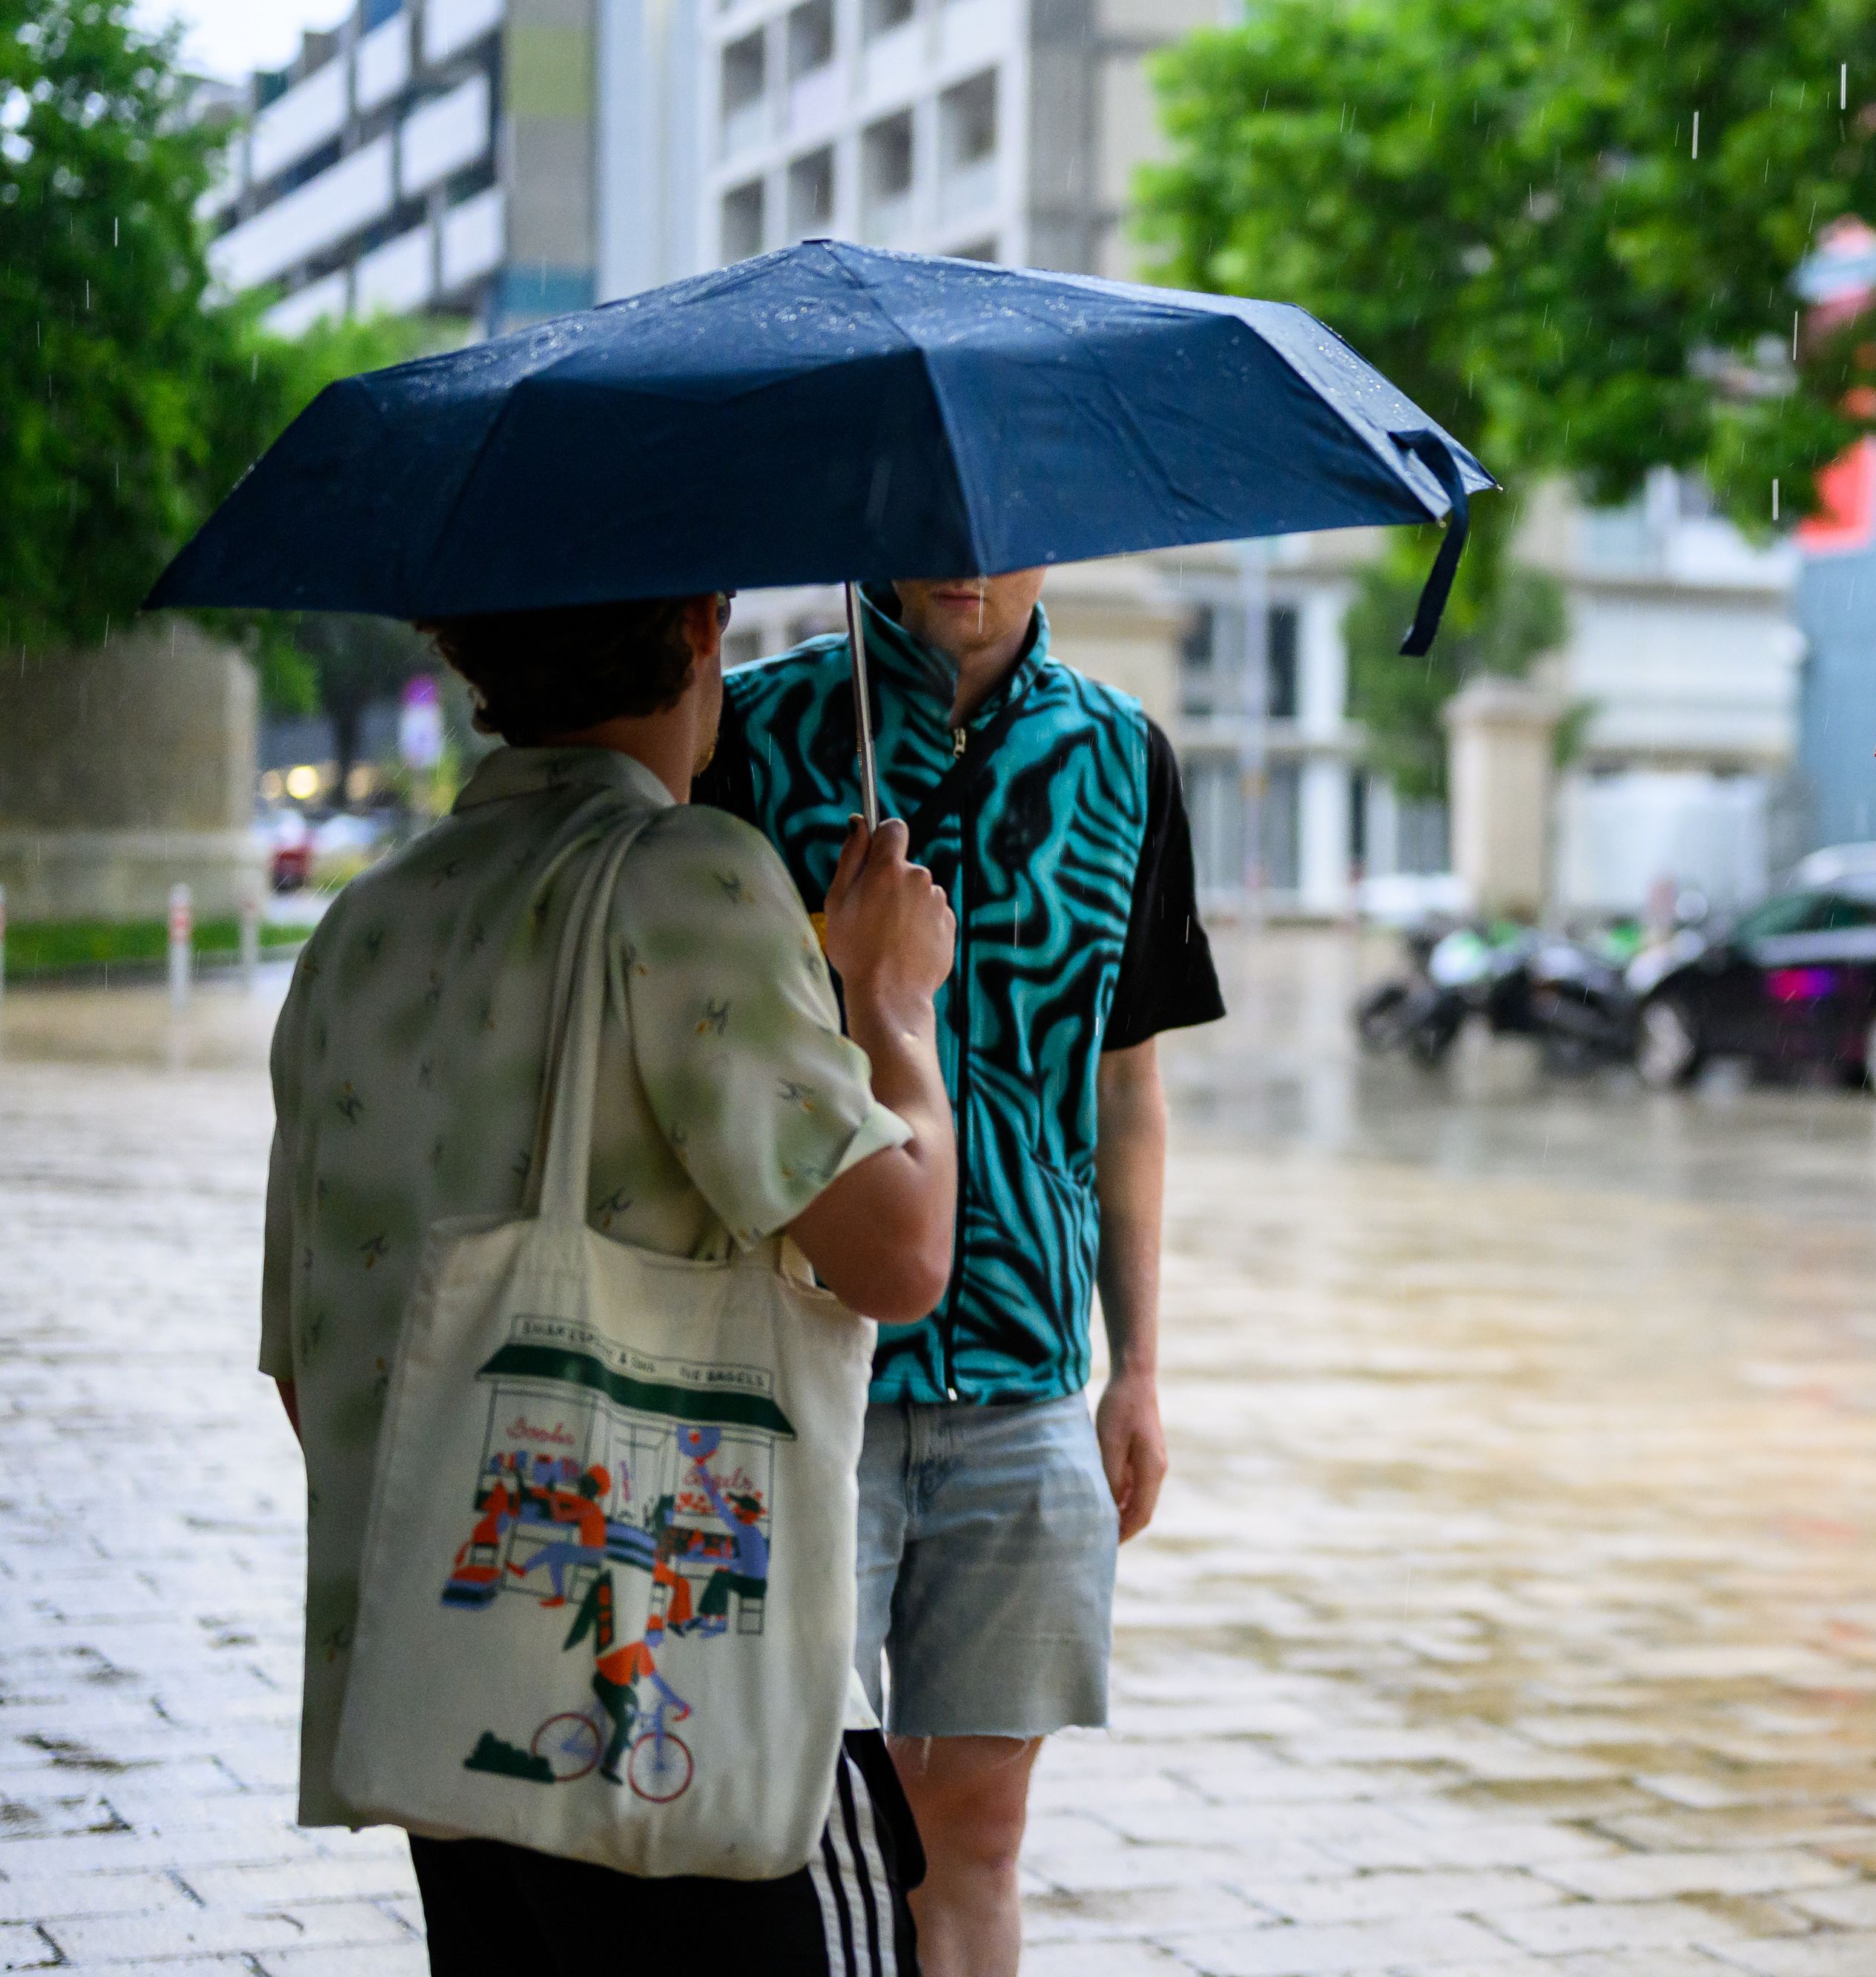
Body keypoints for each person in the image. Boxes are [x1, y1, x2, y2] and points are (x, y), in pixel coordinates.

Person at [262, 592, 960, 1974]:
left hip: (445, 1703)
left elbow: (309, 1364)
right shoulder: (686, 876)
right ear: (703, 629)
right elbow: (904, 1252)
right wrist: (891, 1004)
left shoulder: (362, 927)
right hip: (673, 1702)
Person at [699, 573, 1223, 1977]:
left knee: (977, 1842)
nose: (968, 556)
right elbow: (695, 1036)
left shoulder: (1123, 757)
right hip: (798, 1376)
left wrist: (1141, 1370)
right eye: (927, 515)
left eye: (1004, 520)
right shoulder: (750, 737)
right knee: (776, 1822)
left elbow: (1128, 1091)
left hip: (1026, 1390)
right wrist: (841, 958)